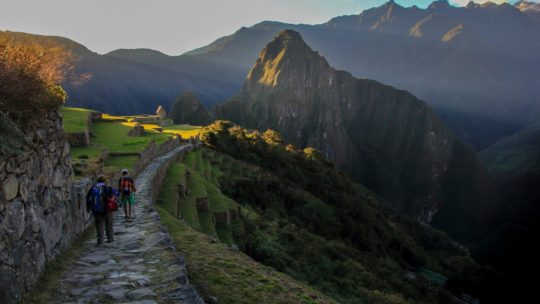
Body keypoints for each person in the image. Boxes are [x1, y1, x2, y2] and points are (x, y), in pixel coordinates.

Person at [86, 175, 116, 246]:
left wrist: (88, 208)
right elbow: (113, 197)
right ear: (105, 181)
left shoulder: (93, 189)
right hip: (108, 210)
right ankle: (110, 239)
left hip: (97, 210)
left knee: (99, 225)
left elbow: (88, 199)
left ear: (97, 181)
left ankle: (100, 241)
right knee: (109, 224)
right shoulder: (108, 188)